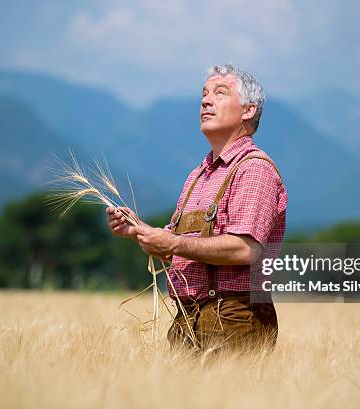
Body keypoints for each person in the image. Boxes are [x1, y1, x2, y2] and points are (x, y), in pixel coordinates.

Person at [106, 63, 288, 354]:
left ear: (248, 110)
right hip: (187, 320)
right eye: (204, 93)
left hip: (234, 319)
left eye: (220, 93)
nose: (206, 100)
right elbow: (178, 248)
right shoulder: (197, 176)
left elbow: (245, 249)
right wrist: (140, 232)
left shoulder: (254, 170)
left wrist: (173, 242)